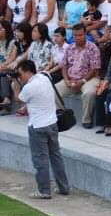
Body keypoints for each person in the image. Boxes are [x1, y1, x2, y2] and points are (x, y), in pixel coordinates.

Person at [13, 59, 70, 199]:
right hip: (52, 124)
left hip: (38, 127)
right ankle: (64, 187)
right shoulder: (45, 77)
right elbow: (38, 98)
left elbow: (19, 98)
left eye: (20, 74)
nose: (20, 77)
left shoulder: (28, 88)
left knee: (40, 160)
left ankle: (44, 191)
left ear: (27, 72)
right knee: (56, 157)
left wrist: (15, 85)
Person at [54, 24, 101, 128]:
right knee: (53, 90)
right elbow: (64, 66)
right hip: (71, 79)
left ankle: (86, 120)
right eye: (75, 35)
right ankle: (62, 114)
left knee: (89, 93)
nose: (78, 37)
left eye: (80, 35)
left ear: (85, 34)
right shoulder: (69, 48)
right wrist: (66, 80)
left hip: (89, 79)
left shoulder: (93, 48)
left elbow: (95, 68)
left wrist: (83, 81)